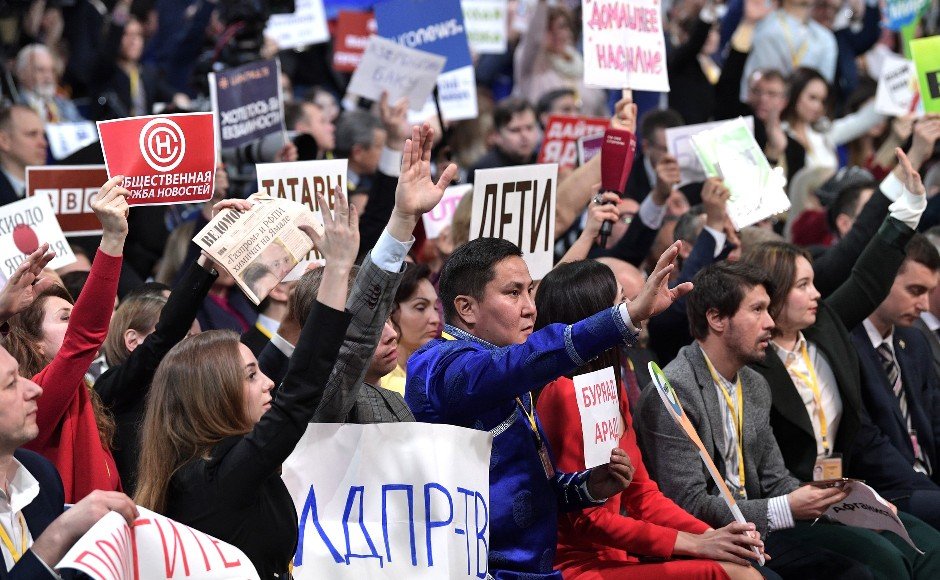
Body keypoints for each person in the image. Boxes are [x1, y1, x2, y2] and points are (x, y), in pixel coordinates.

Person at [406, 235, 692, 579]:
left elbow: (530, 492)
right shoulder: (438, 366)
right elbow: (520, 364)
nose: (530, 307)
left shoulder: (508, 370)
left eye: (530, 291)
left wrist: (589, 487)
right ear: (466, 308)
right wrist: (624, 316)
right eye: (514, 293)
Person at [637, 261, 940, 579]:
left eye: (768, 310)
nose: (769, 322)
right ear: (716, 318)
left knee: (885, 557)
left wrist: (845, 505)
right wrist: (785, 508)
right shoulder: (674, 390)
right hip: (708, 538)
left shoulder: (753, 384)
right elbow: (688, 502)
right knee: (860, 571)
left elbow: (775, 480)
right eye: (757, 310)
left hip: (759, 529)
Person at [134, 188, 357, 578]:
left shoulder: (208, 464)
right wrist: (336, 269)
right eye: (252, 375)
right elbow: (300, 392)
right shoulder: (218, 476)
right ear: (214, 396)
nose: (269, 383)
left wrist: (211, 253)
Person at [745, 150, 940, 532]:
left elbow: (868, 276)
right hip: (790, 511)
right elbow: (854, 259)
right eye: (804, 285)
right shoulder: (750, 356)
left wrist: (910, 210)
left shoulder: (823, 331)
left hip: (845, 495)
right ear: (775, 294)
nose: (818, 294)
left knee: (928, 554)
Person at [535, 260, 765, 580]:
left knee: (742, 564)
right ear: (594, 319)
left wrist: (722, 537)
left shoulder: (613, 383)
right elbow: (585, 520)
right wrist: (696, 544)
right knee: (738, 575)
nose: (630, 309)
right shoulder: (562, 392)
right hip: (574, 567)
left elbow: (644, 497)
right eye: (620, 302)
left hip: (616, 556)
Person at [2, 177, 130, 502]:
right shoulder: (36, 400)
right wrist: (113, 239)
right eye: (64, 319)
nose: (75, 324)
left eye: (75, 314)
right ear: (34, 344)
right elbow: (84, 335)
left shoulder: (83, 393)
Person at [849, 235, 940, 526]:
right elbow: (867, 445)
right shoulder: (846, 344)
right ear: (882, 279)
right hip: (886, 490)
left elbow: (936, 421)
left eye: (929, 292)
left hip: (926, 482)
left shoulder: (913, 341)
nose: (924, 305)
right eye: (915, 291)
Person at [513, 0, 607, 117]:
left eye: (562, 26)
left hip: (587, 133)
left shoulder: (581, 62)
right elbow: (534, 39)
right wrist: (542, 4)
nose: (557, 33)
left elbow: (601, 110)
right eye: (549, 29)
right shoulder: (532, 63)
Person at [780, 67, 883, 170]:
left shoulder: (824, 131)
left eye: (822, 101)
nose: (818, 106)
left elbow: (863, 121)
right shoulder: (779, 132)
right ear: (795, 94)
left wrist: (891, 94)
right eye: (812, 98)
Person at [741, 0, 838, 97]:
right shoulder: (763, 23)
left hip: (803, 105)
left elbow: (823, 87)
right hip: (760, 100)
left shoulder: (825, 38)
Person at [381, 262, 441, 396]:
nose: (435, 319)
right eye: (420, 307)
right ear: (389, 311)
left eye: (435, 308)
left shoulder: (426, 370)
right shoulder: (382, 379)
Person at [14, 44, 85, 124]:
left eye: (52, 71)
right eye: (40, 70)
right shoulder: (14, 105)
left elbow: (83, 128)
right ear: (22, 73)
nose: (48, 77)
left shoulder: (63, 103)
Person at [469, 98, 540, 178]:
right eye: (515, 130)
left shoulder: (544, 163)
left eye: (529, 128)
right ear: (497, 135)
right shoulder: (483, 171)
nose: (525, 136)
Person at [0, 105, 47, 205]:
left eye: (43, 135)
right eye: (32, 134)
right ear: (4, 141)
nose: (43, 143)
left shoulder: (52, 188)